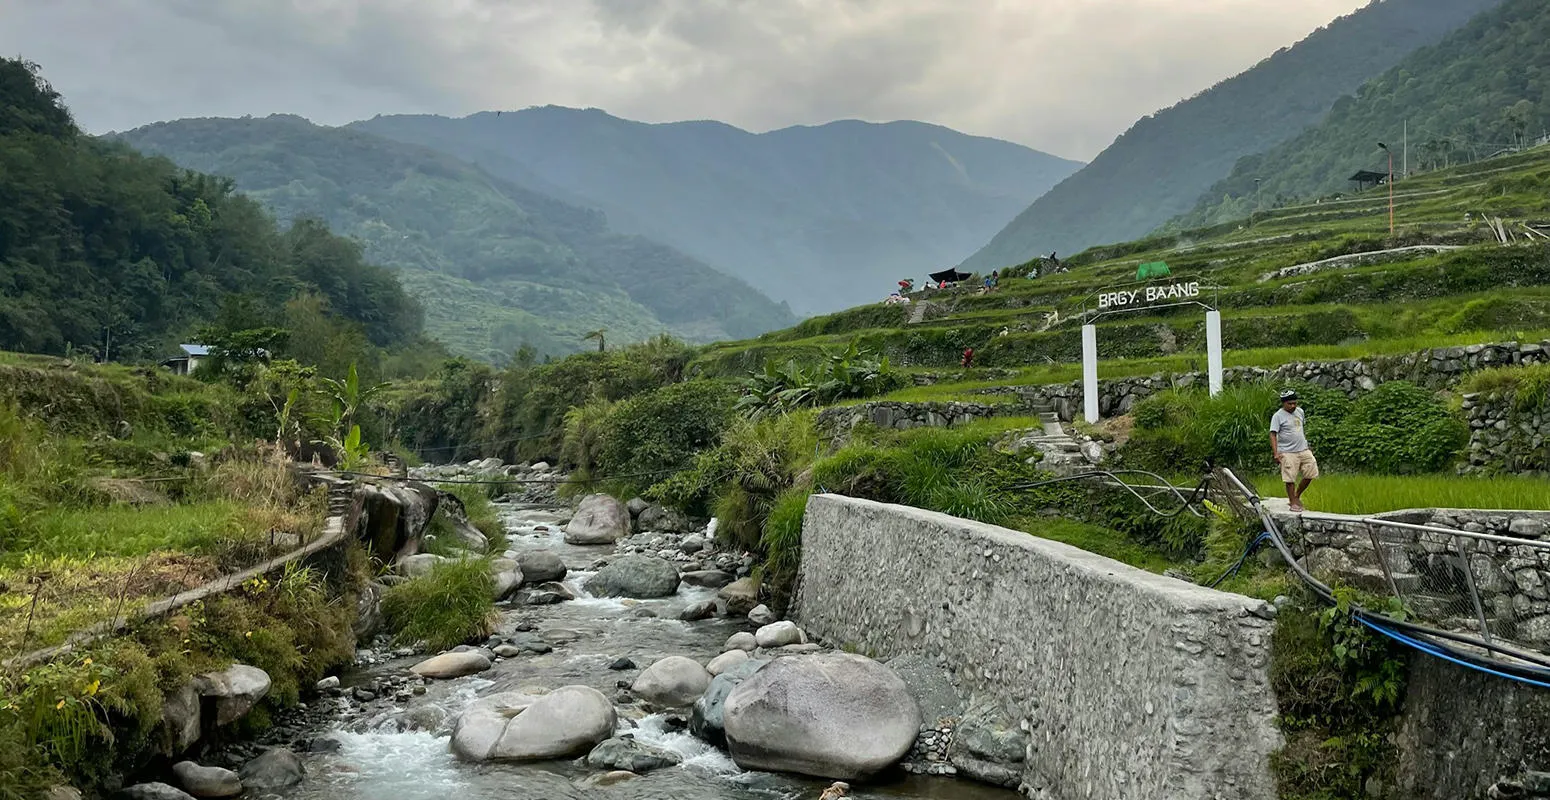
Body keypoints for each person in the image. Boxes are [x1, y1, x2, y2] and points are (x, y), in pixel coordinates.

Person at [1270, 389, 1318, 512]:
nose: (1293, 406)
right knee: (1290, 478)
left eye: (1294, 403)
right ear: (1283, 403)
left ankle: (1297, 495)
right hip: (1287, 451)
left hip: (1303, 449)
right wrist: (1276, 453)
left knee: (1311, 472)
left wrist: (1307, 444)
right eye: (1289, 404)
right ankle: (1293, 502)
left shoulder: (1300, 412)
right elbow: (1273, 434)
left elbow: (1300, 429)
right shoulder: (1278, 416)